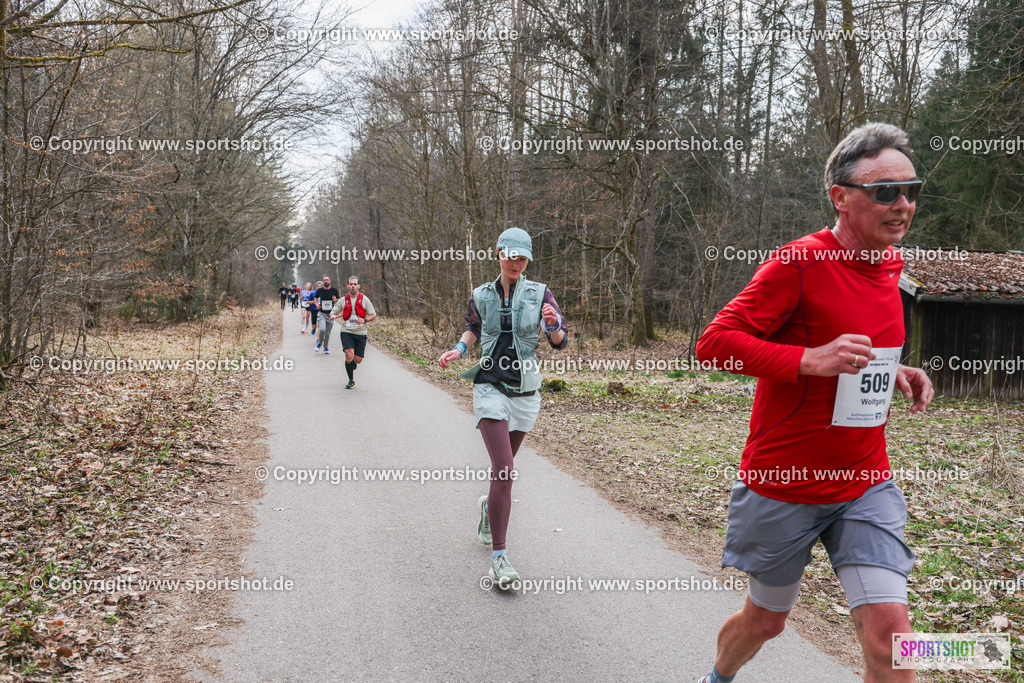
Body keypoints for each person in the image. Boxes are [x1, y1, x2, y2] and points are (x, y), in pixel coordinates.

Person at [694, 122, 934, 683]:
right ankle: (717, 677)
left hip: (864, 480)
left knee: (892, 639)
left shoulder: (890, 266)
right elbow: (714, 344)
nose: (902, 204)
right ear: (841, 197)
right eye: (886, 191)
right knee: (765, 622)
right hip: (786, 482)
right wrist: (809, 359)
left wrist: (893, 370)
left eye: (911, 190)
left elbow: (853, 350)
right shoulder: (798, 263)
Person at [437, 227, 568, 588]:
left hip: (525, 390)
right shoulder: (481, 294)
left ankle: (487, 508)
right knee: (506, 471)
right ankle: (499, 558)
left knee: (501, 473)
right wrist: (459, 350)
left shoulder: (540, 292)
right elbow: (473, 327)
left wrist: (553, 325)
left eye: (523, 259)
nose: (516, 264)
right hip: (490, 386)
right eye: (511, 257)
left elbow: (559, 340)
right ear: (498, 254)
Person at [329, 276, 377, 389]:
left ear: (358, 286)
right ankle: (351, 380)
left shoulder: (364, 299)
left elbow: (373, 314)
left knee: (358, 360)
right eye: (351, 284)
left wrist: (364, 320)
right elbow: (333, 312)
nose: (353, 286)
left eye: (355, 284)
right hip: (347, 331)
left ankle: (352, 363)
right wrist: (333, 315)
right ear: (348, 286)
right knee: (349, 354)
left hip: (360, 333)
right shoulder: (343, 300)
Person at [313, 275, 340, 355]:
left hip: (331, 314)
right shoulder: (320, 290)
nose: (326, 281)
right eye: (324, 280)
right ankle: (319, 343)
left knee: (327, 333)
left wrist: (336, 300)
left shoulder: (334, 290)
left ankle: (326, 347)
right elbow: (315, 298)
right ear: (323, 281)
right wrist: (316, 304)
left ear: (330, 281)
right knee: (322, 330)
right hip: (321, 313)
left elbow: (339, 300)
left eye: (327, 280)